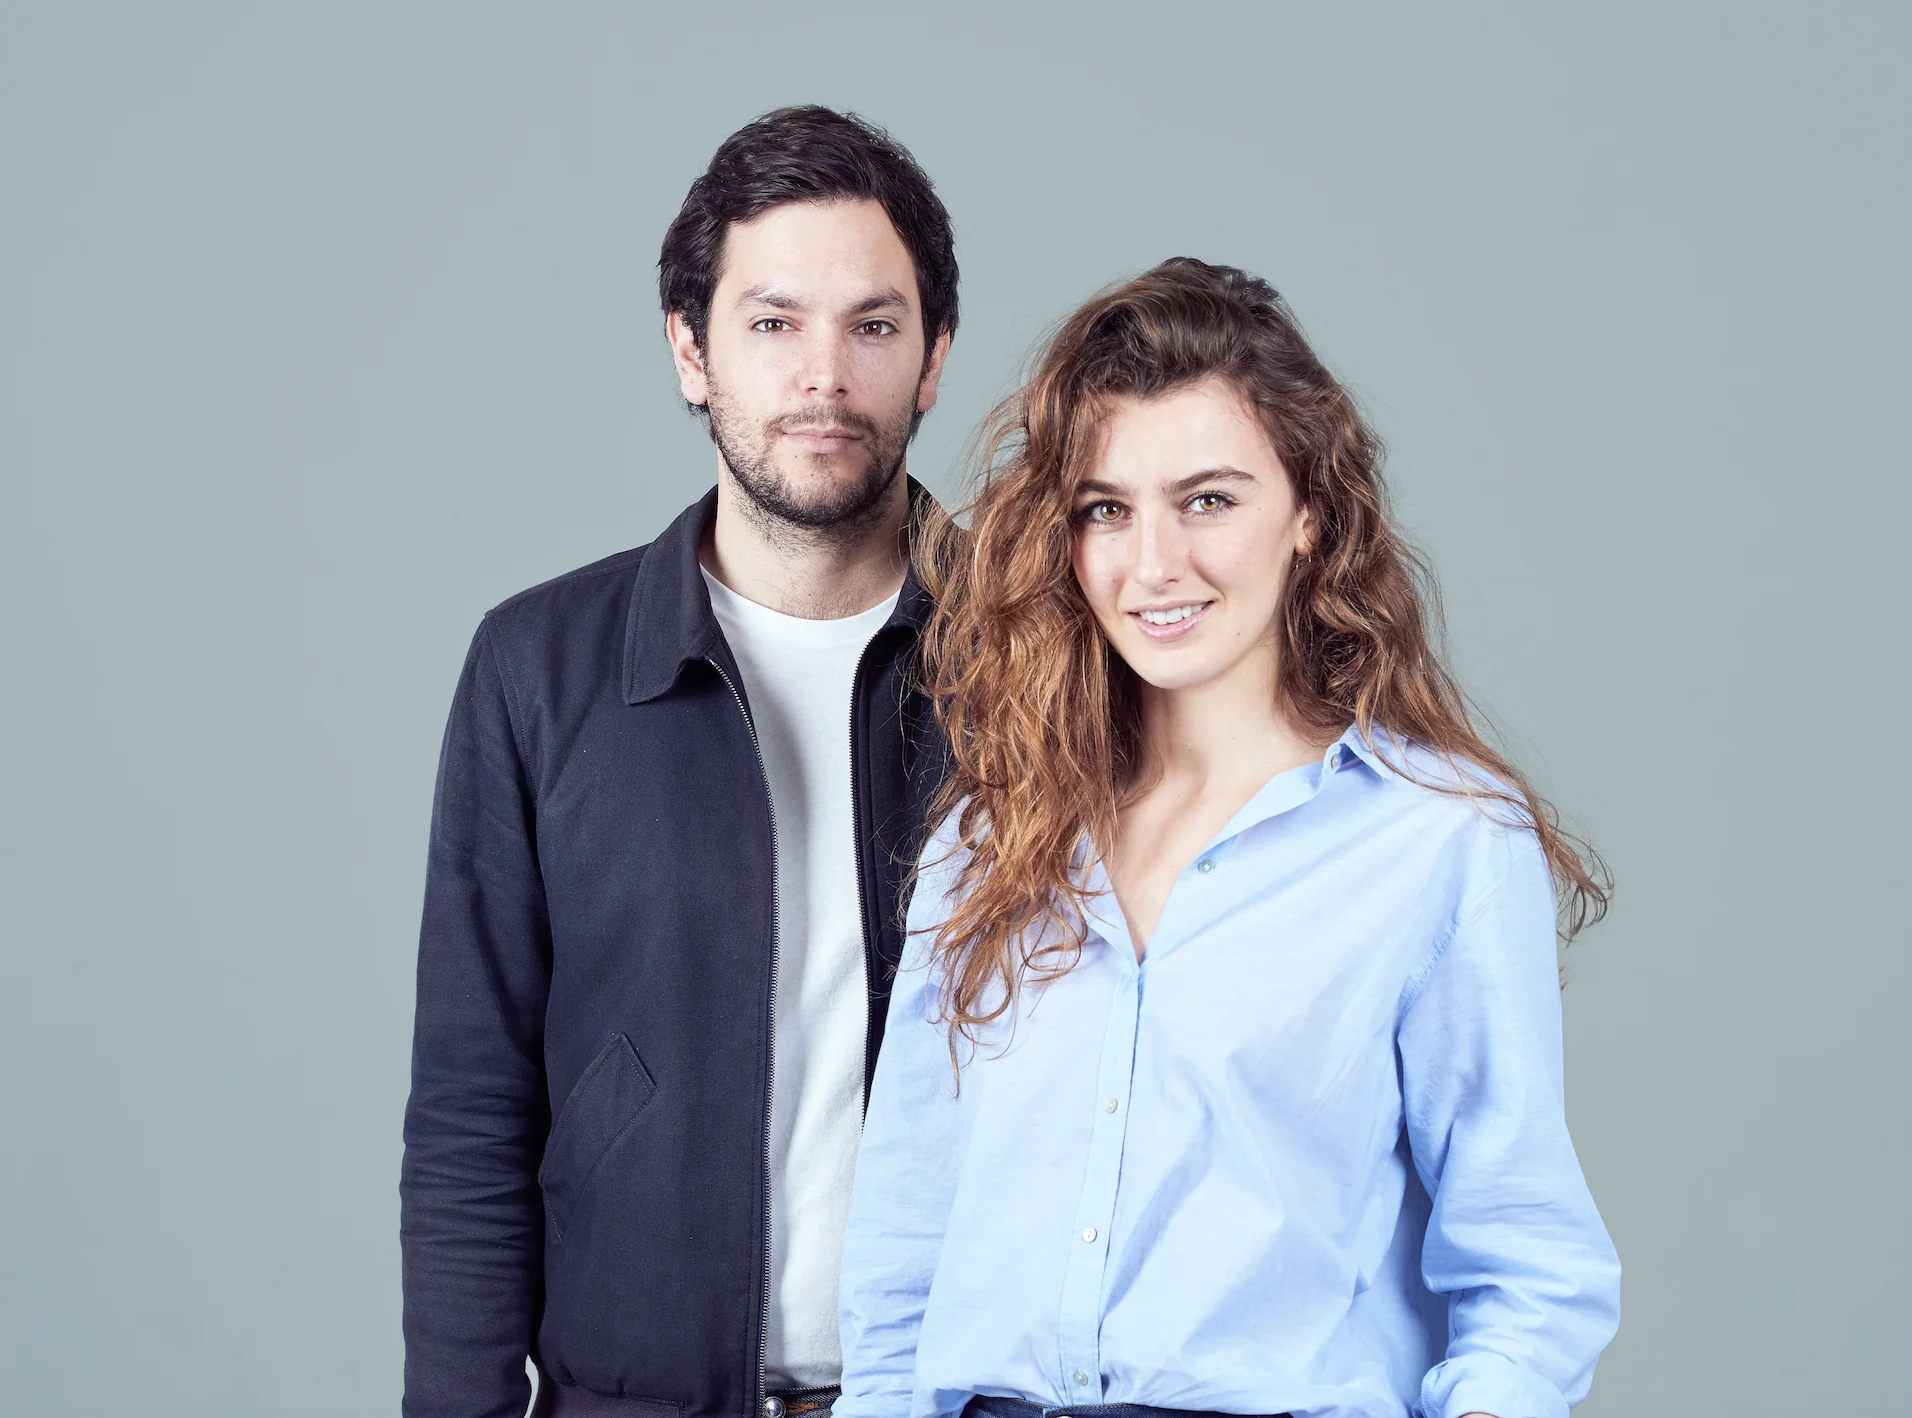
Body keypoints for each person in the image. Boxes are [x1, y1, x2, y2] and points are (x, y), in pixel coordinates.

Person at [836, 259, 1621, 1418]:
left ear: (1309, 513)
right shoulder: (984, 839)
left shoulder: (1439, 839)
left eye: (1208, 500)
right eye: (1108, 509)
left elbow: (1527, 1271)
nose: (1154, 564)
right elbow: (902, 1257)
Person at [401, 106, 957, 1418]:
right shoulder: (540, 667)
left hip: (962, 1395)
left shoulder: (1044, 663)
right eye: (773, 323)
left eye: (873, 325)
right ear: (691, 350)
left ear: (933, 359)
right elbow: (474, 1110)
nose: (824, 374)